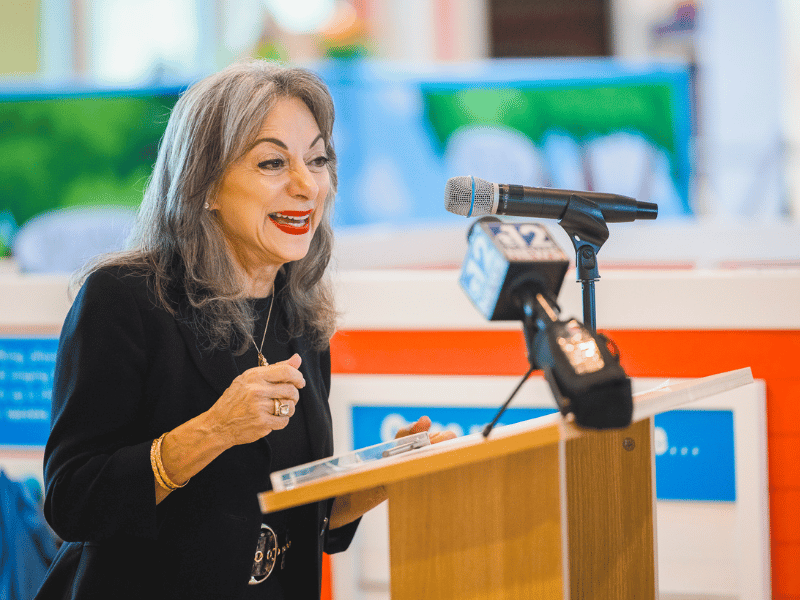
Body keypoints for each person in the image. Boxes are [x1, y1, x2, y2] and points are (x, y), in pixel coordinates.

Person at [35, 60, 454, 600]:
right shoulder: (123, 298)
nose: (306, 185)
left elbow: (289, 507)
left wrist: (381, 475)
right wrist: (214, 430)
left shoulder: (299, 309)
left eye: (318, 160)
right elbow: (74, 502)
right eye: (273, 162)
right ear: (204, 183)